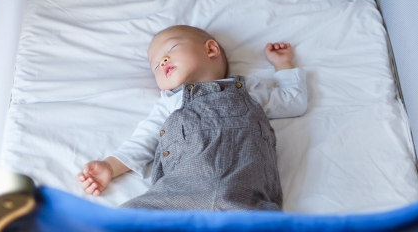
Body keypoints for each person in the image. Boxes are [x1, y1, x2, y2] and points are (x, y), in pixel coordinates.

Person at [76, 25, 307, 210]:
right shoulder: (170, 103)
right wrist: (110, 166)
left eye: (171, 48)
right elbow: (144, 139)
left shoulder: (248, 90)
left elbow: (292, 102)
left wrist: (283, 64)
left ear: (211, 50)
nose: (162, 61)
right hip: (179, 193)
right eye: (155, 65)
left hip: (245, 193)